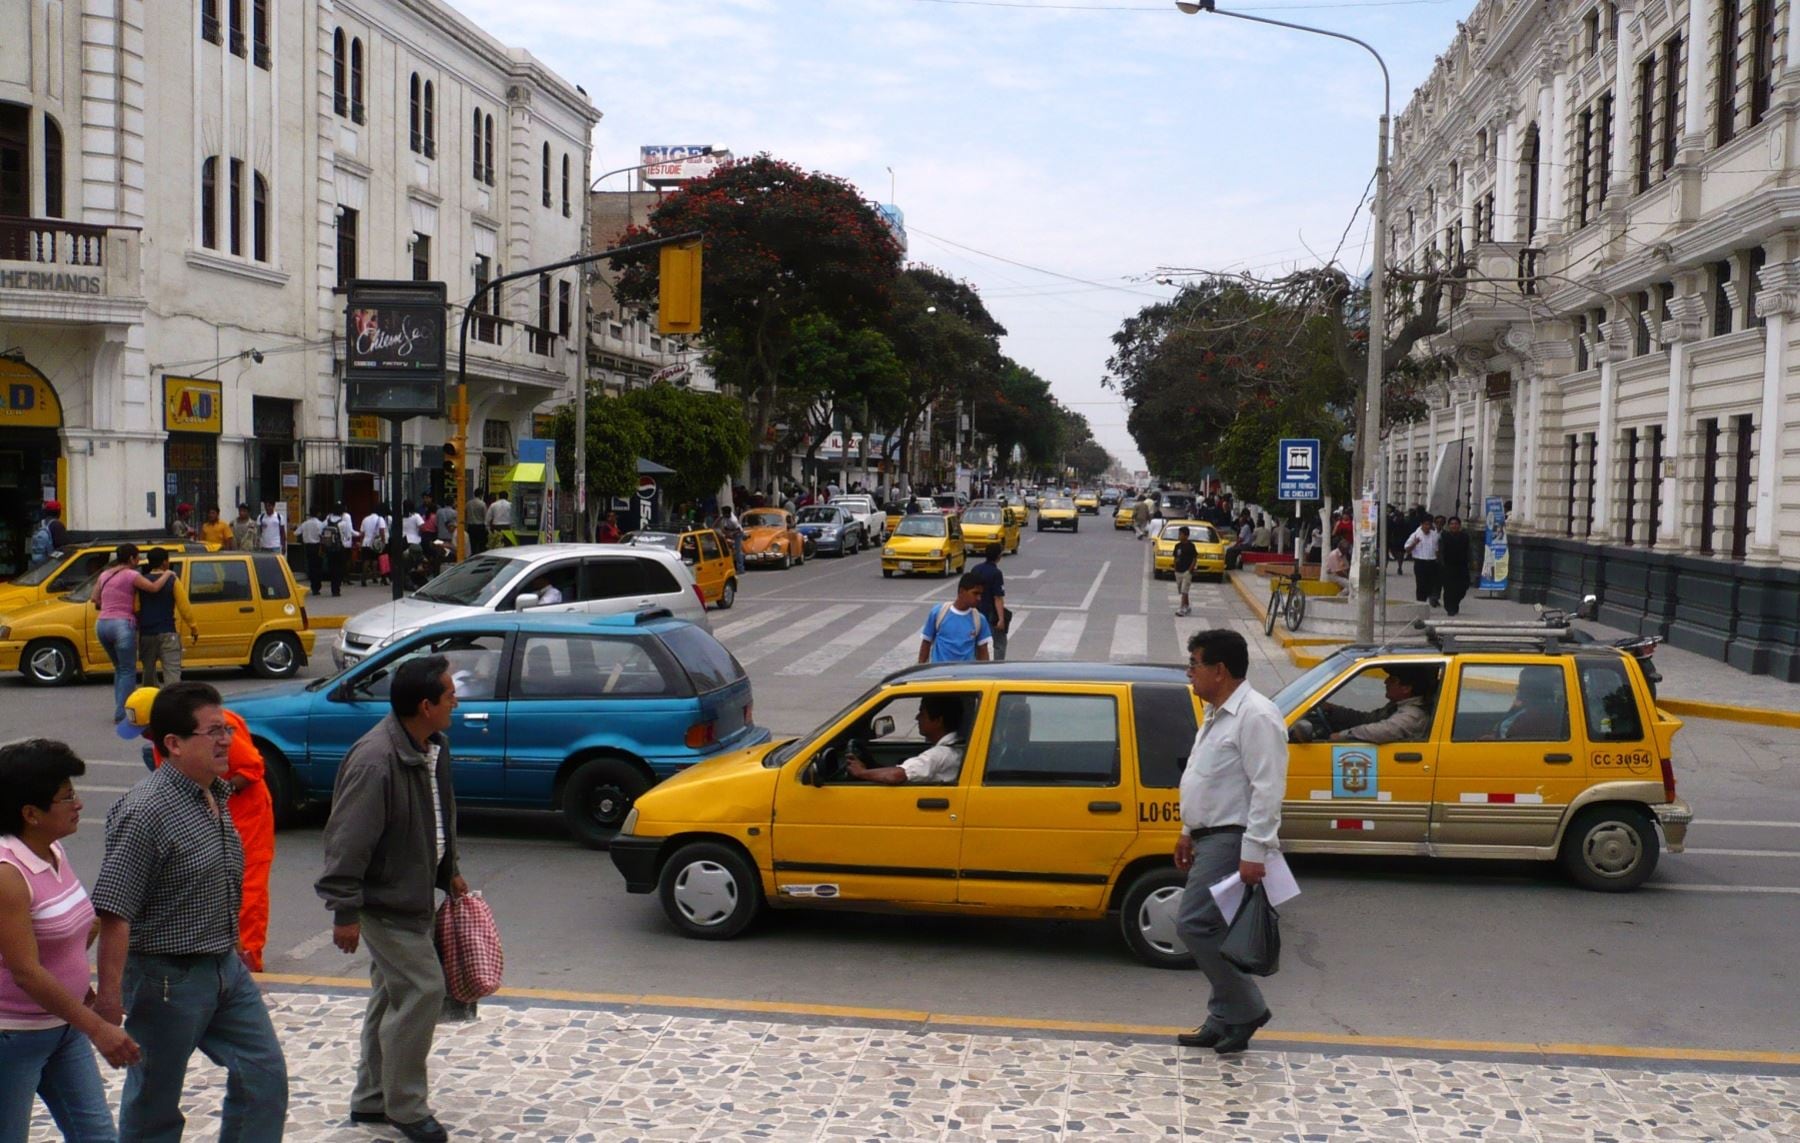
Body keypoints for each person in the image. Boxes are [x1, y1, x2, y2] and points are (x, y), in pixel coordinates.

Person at [92, 682, 289, 1140]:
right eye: (213, 732)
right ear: (174, 745)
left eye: (227, 729)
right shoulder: (145, 811)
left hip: (225, 968)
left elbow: (219, 882)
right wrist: (109, 997)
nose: (227, 741)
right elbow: (115, 910)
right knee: (155, 1104)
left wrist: (235, 943)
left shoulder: (216, 795)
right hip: (167, 981)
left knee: (264, 1077)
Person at [317, 656, 469, 1143]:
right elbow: (347, 841)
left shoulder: (430, 746)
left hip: (415, 893)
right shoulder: (375, 760)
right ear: (426, 706)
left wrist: (450, 873)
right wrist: (344, 911)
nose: (456, 702)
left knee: (391, 994)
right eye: (449, 695)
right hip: (386, 902)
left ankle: (371, 1100)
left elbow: (435, 821)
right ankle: (405, 1107)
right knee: (424, 990)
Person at [0, 739, 139, 1142]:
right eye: (66, 797)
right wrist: (97, 1028)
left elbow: (70, 930)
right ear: (31, 814)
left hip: (65, 1026)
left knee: (97, 1137)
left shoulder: (52, 850)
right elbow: (25, 971)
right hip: (14, 1037)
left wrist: (84, 986)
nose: (77, 803)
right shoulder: (8, 874)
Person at [1173, 629, 1288, 1056]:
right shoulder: (1216, 713)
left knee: (1193, 924)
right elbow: (1207, 778)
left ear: (1219, 670)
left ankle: (1247, 1007)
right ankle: (1222, 1017)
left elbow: (1267, 787)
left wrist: (1255, 850)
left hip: (1233, 838)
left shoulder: (1256, 715)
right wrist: (1187, 830)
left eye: (1195, 665)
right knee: (1215, 929)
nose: (1190, 674)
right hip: (1209, 835)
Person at [121, 686, 277, 974]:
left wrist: (217, 793)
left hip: (247, 818)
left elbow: (253, 768)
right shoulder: (166, 749)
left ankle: (249, 965)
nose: (145, 739)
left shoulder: (210, 731)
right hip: (210, 816)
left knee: (248, 892)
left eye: (146, 732)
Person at [92, 545, 172, 725]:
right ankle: (122, 714)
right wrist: (168, 574)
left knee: (119, 669)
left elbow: (95, 599)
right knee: (128, 670)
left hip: (102, 624)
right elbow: (153, 588)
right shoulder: (131, 575)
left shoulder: (104, 575)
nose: (138, 562)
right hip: (121, 625)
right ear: (130, 559)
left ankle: (120, 708)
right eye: (137, 558)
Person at [1295, 666, 1434, 744]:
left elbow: (1381, 731)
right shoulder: (1397, 706)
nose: (1386, 682)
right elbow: (1367, 719)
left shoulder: (1413, 715)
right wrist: (1333, 710)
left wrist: (1342, 736)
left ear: (1406, 688)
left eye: (1392, 680)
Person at [846, 696, 965, 785]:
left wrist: (861, 772)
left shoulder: (940, 755)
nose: (917, 718)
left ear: (938, 721)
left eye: (922, 714)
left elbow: (897, 775)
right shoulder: (956, 747)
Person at [135, 547, 198, 687]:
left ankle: (149, 703)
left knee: (148, 674)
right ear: (165, 563)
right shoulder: (172, 580)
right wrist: (193, 627)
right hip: (168, 632)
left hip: (147, 634)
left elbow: (136, 608)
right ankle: (173, 703)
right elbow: (184, 608)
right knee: (172, 674)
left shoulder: (142, 582)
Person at [917, 574, 994, 664]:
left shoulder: (979, 619)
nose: (979, 598)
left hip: (966, 676)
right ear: (961, 591)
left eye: (981, 594)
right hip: (940, 674)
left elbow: (983, 652)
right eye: (975, 593)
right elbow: (926, 642)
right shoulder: (938, 612)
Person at [967, 543, 1009, 659]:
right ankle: (998, 666)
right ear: (998, 556)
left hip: (974, 613)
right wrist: (1001, 619)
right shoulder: (996, 573)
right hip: (990, 615)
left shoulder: (975, 569)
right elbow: (998, 598)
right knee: (1000, 643)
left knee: (976, 642)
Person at [1438, 515, 1472, 617]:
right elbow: (1441, 551)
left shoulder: (1465, 536)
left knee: (1463, 587)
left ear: (1459, 525)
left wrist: (1471, 561)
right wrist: (1442, 564)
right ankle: (1450, 608)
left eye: (1456, 524)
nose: (1454, 526)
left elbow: (1469, 550)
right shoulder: (1444, 536)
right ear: (1449, 526)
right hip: (1448, 566)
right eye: (1452, 524)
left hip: (1462, 566)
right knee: (1449, 589)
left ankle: (1455, 603)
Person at [1404, 515, 1441, 607]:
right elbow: (1407, 549)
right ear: (1421, 525)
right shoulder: (1415, 535)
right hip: (1420, 562)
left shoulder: (1434, 535)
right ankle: (1420, 602)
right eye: (1425, 524)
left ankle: (1432, 598)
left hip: (1432, 562)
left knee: (1432, 583)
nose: (1427, 527)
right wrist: (1414, 543)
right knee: (1421, 584)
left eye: (1429, 524)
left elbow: (1437, 549)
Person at [323, 502, 354, 597]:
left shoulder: (327, 520)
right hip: (340, 548)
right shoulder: (343, 522)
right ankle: (336, 589)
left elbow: (321, 529)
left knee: (332, 567)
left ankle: (333, 587)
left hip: (329, 548)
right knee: (339, 568)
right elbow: (348, 534)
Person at [296, 505, 326, 595]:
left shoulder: (305, 523)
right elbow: (322, 536)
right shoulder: (320, 524)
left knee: (311, 566)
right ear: (318, 513)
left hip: (308, 547)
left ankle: (313, 585)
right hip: (317, 547)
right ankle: (317, 586)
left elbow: (296, 532)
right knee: (318, 566)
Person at [361, 504, 391, 587]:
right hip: (376, 543)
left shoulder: (365, 519)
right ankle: (379, 578)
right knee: (378, 560)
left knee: (366, 560)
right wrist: (384, 542)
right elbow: (382, 530)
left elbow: (362, 533)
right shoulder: (380, 519)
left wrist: (361, 542)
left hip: (366, 542)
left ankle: (363, 578)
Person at [1172, 526, 1198, 618]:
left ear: (1186, 535)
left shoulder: (1191, 546)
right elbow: (1175, 558)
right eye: (1179, 534)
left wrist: (1190, 570)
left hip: (1186, 572)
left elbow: (1194, 559)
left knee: (1184, 590)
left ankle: (1182, 608)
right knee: (1183, 590)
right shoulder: (1177, 546)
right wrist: (1175, 569)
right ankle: (1187, 606)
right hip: (1178, 571)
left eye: (1181, 534)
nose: (1179, 536)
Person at [717, 506, 745, 574]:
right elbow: (718, 520)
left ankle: (741, 569)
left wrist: (731, 534)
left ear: (727, 513)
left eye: (724, 513)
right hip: (729, 530)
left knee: (738, 551)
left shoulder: (733, 520)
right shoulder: (724, 515)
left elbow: (738, 530)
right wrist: (712, 527)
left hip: (737, 533)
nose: (723, 515)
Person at [464, 490, 488, 555]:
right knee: (481, 544)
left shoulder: (468, 503)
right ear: (481, 495)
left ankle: (473, 555)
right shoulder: (482, 504)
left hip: (471, 526)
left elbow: (465, 514)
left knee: (472, 544)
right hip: (480, 526)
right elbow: (485, 516)